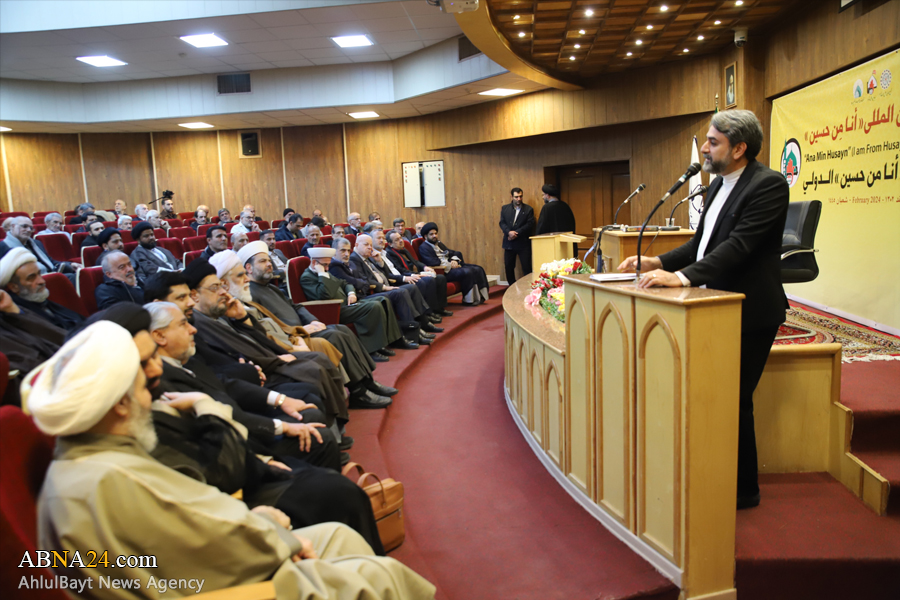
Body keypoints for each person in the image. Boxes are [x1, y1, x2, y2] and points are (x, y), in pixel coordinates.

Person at [28, 321, 436, 599]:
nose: (150, 397)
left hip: (205, 564)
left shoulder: (85, 459)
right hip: (227, 584)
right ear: (119, 404)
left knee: (339, 536)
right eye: (142, 388)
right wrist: (277, 532)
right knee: (381, 576)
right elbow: (218, 540)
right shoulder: (113, 479)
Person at [617, 110, 789, 510]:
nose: (705, 149)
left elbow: (738, 247)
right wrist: (657, 261)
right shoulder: (715, 187)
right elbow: (702, 245)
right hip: (713, 308)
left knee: (734, 399)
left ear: (739, 148)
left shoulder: (768, 185)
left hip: (749, 311)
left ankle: (743, 490)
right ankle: (713, 474)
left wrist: (680, 279)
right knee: (713, 397)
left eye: (713, 142)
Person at [143, 301, 384, 550]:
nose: (192, 328)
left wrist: (278, 401)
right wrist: (265, 455)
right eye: (183, 323)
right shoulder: (160, 384)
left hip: (244, 448)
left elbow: (226, 386)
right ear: (158, 336)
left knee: (320, 441)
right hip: (236, 475)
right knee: (339, 486)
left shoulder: (185, 361)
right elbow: (211, 448)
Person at [301, 247, 405, 361]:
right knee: (373, 306)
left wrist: (351, 293)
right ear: (314, 263)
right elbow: (325, 294)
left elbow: (345, 283)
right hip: (335, 310)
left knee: (382, 300)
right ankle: (372, 349)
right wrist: (321, 273)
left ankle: (391, 341)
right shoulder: (307, 278)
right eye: (324, 265)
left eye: (328, 265)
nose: (327, 268)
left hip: (348, 304)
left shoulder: (325, 272)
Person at [371, 229, 445, 329]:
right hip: (395, 281)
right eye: (378, 238)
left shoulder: (385, 253)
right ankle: (423, 319)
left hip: (401, 276)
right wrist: (407, 277)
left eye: (383, 238)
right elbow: (389, 274)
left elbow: (414, 262)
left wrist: (423, 268)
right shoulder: (377, 256)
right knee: (419, 283)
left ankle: (430, 315)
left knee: (438, 278)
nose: (381, 240)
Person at [0, 247, 84, 331]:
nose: (42, 281)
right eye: (31, 278)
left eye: (39, 274)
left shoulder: (39, 299)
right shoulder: (17, 315)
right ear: (14, 287)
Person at [418, 222, 490, 305]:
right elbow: (433, 262)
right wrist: (450, 265)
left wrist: (454, 260)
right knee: (468, 271)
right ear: (425, 236)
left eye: (436, 233)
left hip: (451, 267)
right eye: (431, 234)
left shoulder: (439, 244)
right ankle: (469, 301)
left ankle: (481, 297)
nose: (434, 236)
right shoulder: (423, 247)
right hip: (443, 272)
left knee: (478, 269)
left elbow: (453, 252)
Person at [384, 229, 452, 317]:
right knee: (429, 280)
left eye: (400, 238)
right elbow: (400, 270)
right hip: (407, 277)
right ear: (390, 244)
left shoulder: (403, 249)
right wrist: (417, 275)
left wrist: (425, 267)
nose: (401, 241)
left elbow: (415, 261)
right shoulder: (390, 253)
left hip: (415, 273)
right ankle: (429, 311)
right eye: (397, 240)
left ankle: (440, 308)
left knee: (440, 278)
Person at [1, 216, 81, 278]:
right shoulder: (3, 246)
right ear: (13, 227)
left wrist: (70, 264)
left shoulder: (36, 243)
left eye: (31, 228)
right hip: (29, 282)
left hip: (49, 275)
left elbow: (50, 261)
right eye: (24, 226)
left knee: (78, 275)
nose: (28, 230)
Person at [499, 186, 535, 284]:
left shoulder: (528, 209)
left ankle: (529, 287)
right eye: (516, 197)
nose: (519, 199)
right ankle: (511, 286)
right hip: (509, 242)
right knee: (509, 266)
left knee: (526, 266)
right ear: (511, 197)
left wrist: (516, 233)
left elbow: (530, 224)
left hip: (523, 243)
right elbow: (502, 223)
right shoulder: (505, 208)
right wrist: (509, 232)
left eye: (520, 196)